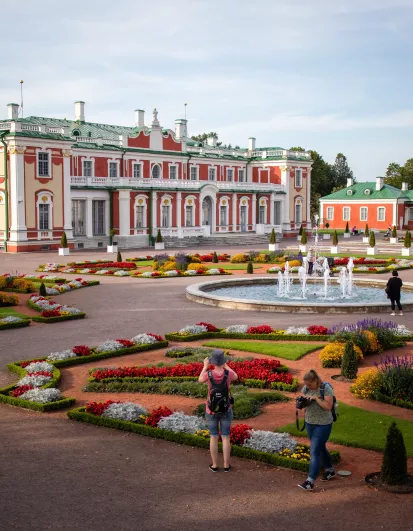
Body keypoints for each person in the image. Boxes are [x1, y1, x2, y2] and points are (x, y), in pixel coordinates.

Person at [198, 349, 238, 472]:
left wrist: (204, 367)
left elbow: (200, 380)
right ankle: (226, 465)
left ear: (212, 362)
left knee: (213, 436)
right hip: (226, 409)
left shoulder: (208, 374)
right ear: (223, 361)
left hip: (211, 409)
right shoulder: (228, 374)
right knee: (226, 436)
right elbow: (236, 376)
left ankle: (215, 465)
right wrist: (226, 365)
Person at [297, 369, 335, 491]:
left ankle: (310, 481)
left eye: (309, 384)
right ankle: (330, 469)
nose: (307, 387)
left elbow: (328, 407)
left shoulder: (326, 388)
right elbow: (302, 405)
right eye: (306, 385)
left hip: (323, 424)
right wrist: (301, 402)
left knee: (314, 450)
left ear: (316, 381)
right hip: (310, 423)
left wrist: (315, 398)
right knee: (320, 447)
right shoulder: (307, 388)